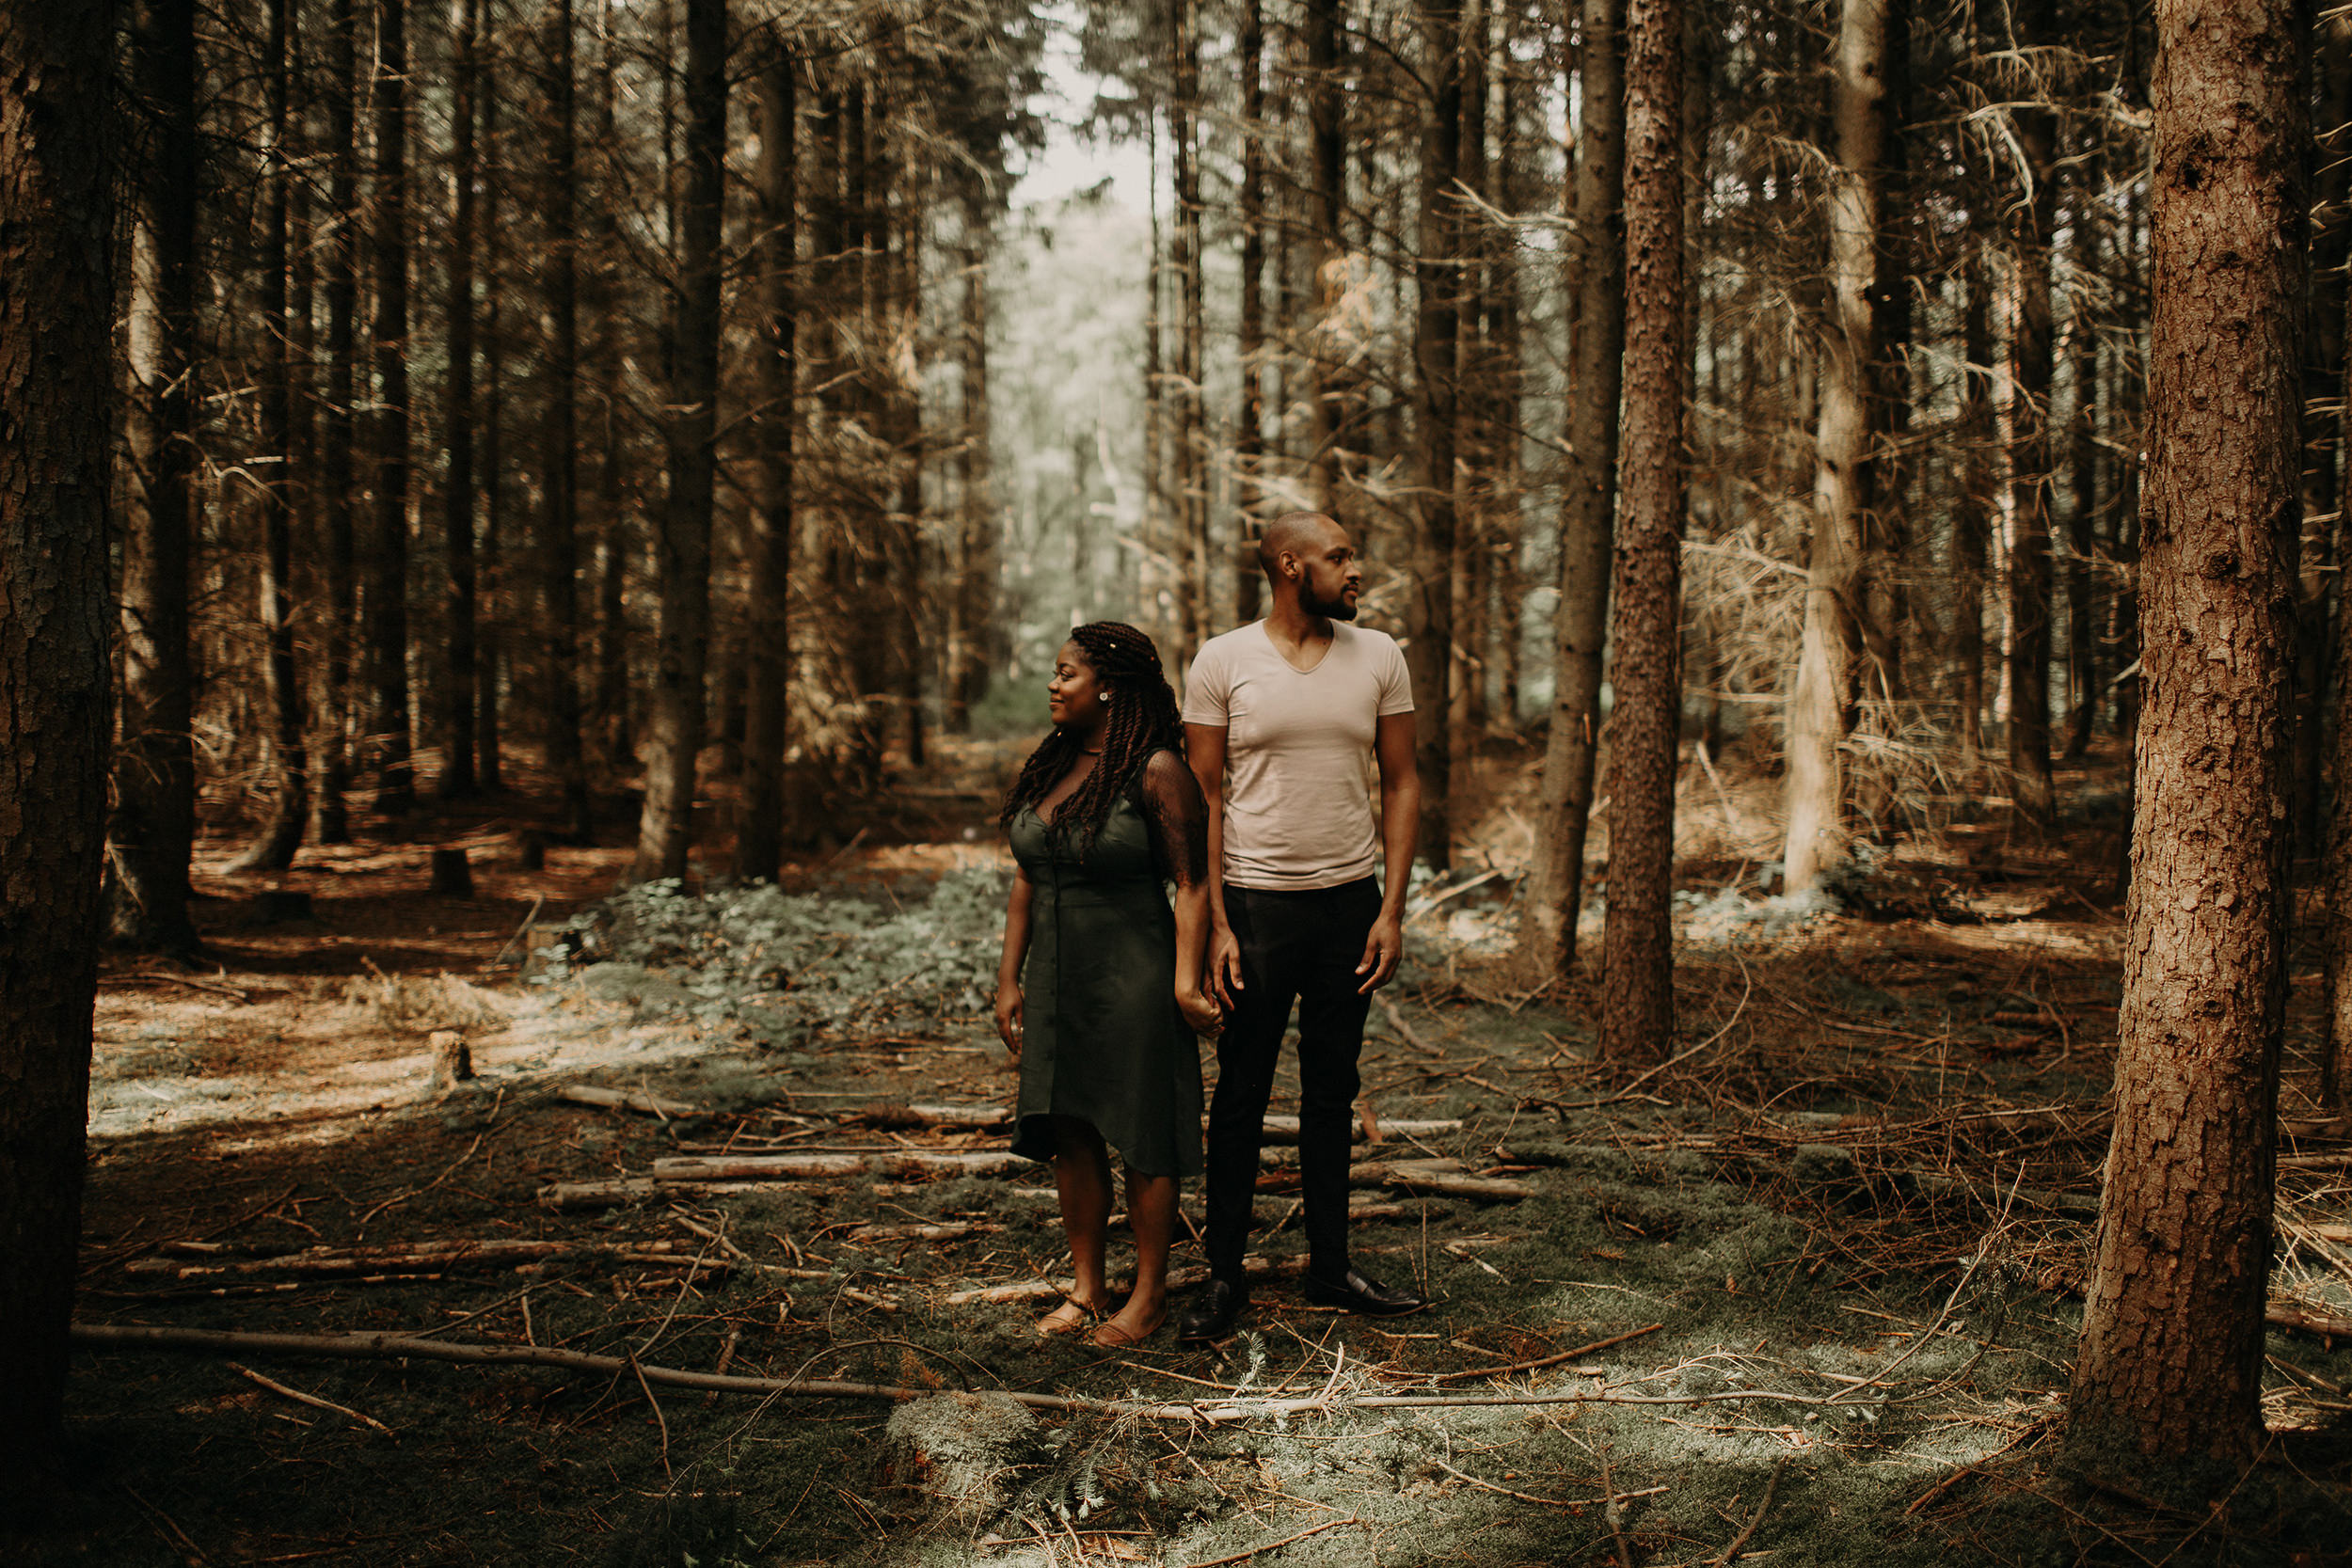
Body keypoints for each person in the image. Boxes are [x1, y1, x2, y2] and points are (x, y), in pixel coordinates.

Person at [1173, 512, 1427, 1342]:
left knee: (1333, 1089)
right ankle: (1222, 1278)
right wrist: (1211, 923)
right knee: (1241, 1093)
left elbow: (1401, 782)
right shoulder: (1222, 660)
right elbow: (1200, 797)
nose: (1355, 570)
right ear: (1290, 565)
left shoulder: (1380, 654)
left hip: (1348, 905)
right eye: (1340, 556)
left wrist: (1391, 907)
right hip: (1253, 905)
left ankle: (1330, 1265)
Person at [993, 621, 1223, 1348]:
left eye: (1066, 673)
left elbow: (1191, 884)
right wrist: (1009, 977)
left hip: (1134, 971)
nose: (1054, 684)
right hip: (1058, 975)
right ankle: (1089, 1289)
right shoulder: (1053, 762)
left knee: (1143, 1130)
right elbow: (1029, 876)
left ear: (1110, 686)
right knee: (1071, 1129)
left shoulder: (1156, 768)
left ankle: (1148, 1296)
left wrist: (1187, 983)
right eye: (1056, 673)